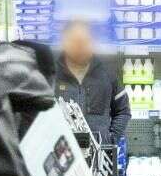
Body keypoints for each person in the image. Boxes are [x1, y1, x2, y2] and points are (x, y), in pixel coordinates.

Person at [52, 19, 131, 151]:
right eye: (75, 42)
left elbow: (123, 111)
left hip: (101, 158)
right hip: (64, 157)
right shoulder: (51, 75)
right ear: (65, 43)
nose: (80, 47)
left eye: (84, 41)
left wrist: (110, 140)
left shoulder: (107, 74)